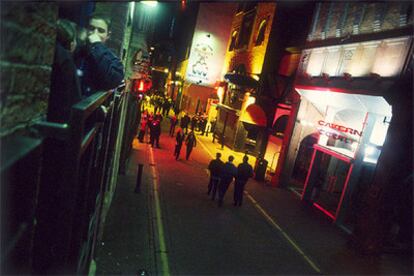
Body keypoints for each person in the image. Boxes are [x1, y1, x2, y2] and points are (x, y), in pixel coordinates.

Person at [76, 13, 124, 96]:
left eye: (100, 31)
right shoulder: (77, 49)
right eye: (91, 28)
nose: (95, 33)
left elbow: (113, 81)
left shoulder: (112, 58)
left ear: (107, 35)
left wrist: (97, 44)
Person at [47, 19, 82, 123]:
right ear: (72, 44)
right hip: (59, 124)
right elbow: (74, 99)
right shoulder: (66, 60)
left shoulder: (52, 51)